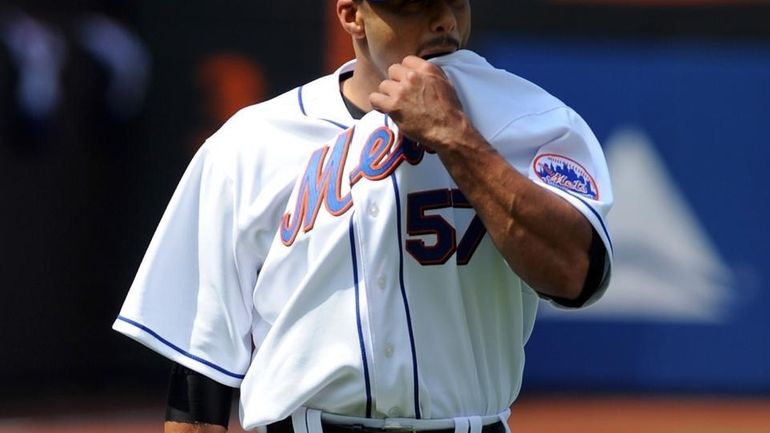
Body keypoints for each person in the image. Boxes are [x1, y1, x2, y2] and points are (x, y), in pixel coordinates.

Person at [113, 0, 614, 432]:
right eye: (411, 5)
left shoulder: (531, 119)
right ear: (352, 15)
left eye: (453, 1)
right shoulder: (249, 144)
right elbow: (201, 374)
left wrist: (457, 138)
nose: (441, 20)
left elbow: (576, 276)